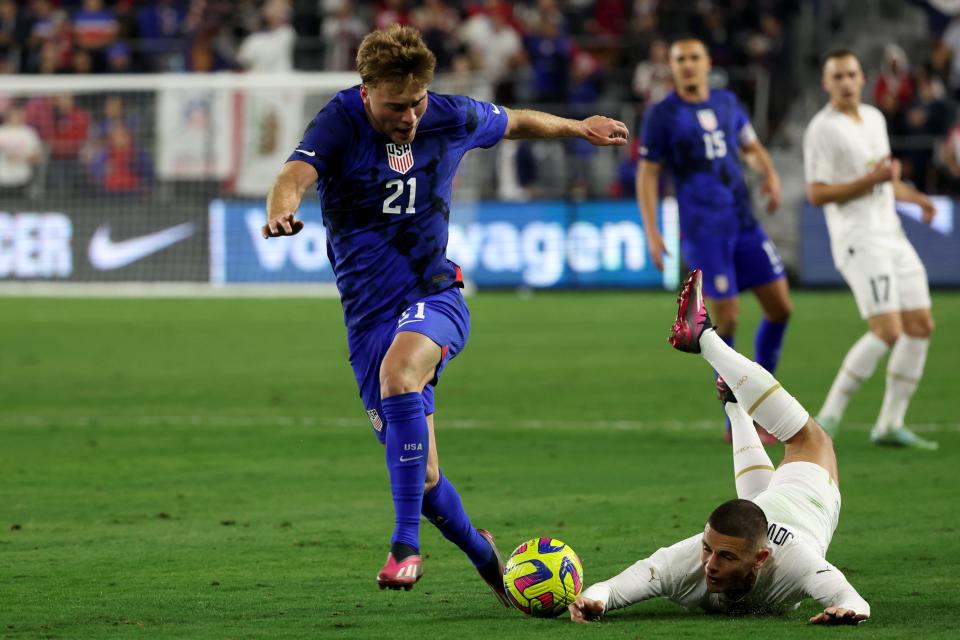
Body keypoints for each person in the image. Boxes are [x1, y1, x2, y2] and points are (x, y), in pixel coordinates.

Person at [261, 25, 628, 599]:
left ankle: (404, 546)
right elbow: (294, 176)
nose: (409, 116)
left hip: (435, 295)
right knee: (424, 476)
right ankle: (488, 559)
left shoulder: (450, 115)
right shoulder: (339, 121)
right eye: (395, 104)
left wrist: (580, 128)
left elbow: (516, 121)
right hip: (367, 320)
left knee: (401, 373)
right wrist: (282, 210)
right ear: (365, 91)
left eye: (416, 102)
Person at [568, 269, 870, 626]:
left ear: (761, 559)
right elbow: (618, 586)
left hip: (799, 510)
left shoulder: (796, 560)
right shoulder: (691, 561)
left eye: (725, 557)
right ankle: (713, 357)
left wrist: (847, 611)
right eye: (709, 549)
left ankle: (726, 386)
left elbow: (852, 599)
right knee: (809, 441)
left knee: (811, 441)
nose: (709, 565)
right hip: (775, 508)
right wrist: (594, 599)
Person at [637, 37, 792, 443]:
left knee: (780, 307)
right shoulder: (662, 115)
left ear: (708, 63)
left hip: (743, 221)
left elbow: (752, 147)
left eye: (694, 58)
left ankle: (762, 397)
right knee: (729, 316)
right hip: (704, 228)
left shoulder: (726, 103)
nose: (687, 65)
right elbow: (648, 175)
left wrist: (770, 175)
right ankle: (738, 418)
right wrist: (653, 231)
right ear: (672, 67)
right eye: (679, 59)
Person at [804, 50, 937, 450]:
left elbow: (882, 180)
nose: (845, 81)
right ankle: (827, 418)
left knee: (920, 326)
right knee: (887, 330)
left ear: (862, 78)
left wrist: (915, 198)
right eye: (837, 76)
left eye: (851, 74)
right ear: (826, 84)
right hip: (858, 239)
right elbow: (816, 192)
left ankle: (890, 423)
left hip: (891, 234)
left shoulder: (875, 119)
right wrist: (873, 178)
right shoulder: (822, 130)